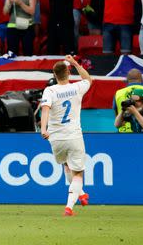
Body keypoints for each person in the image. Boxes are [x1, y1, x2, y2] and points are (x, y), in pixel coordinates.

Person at [40, 55, 93, 216]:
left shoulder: (50, 90)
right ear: (68, 73)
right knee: (77, 173)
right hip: (74, 136)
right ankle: (69, 207)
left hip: (55, 138)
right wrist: (75, 62)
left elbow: (45, 109)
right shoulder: (77, 87)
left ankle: (81, 194)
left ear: (54, 75)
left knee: (66, 165)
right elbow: (88, 79)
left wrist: (43, 128)